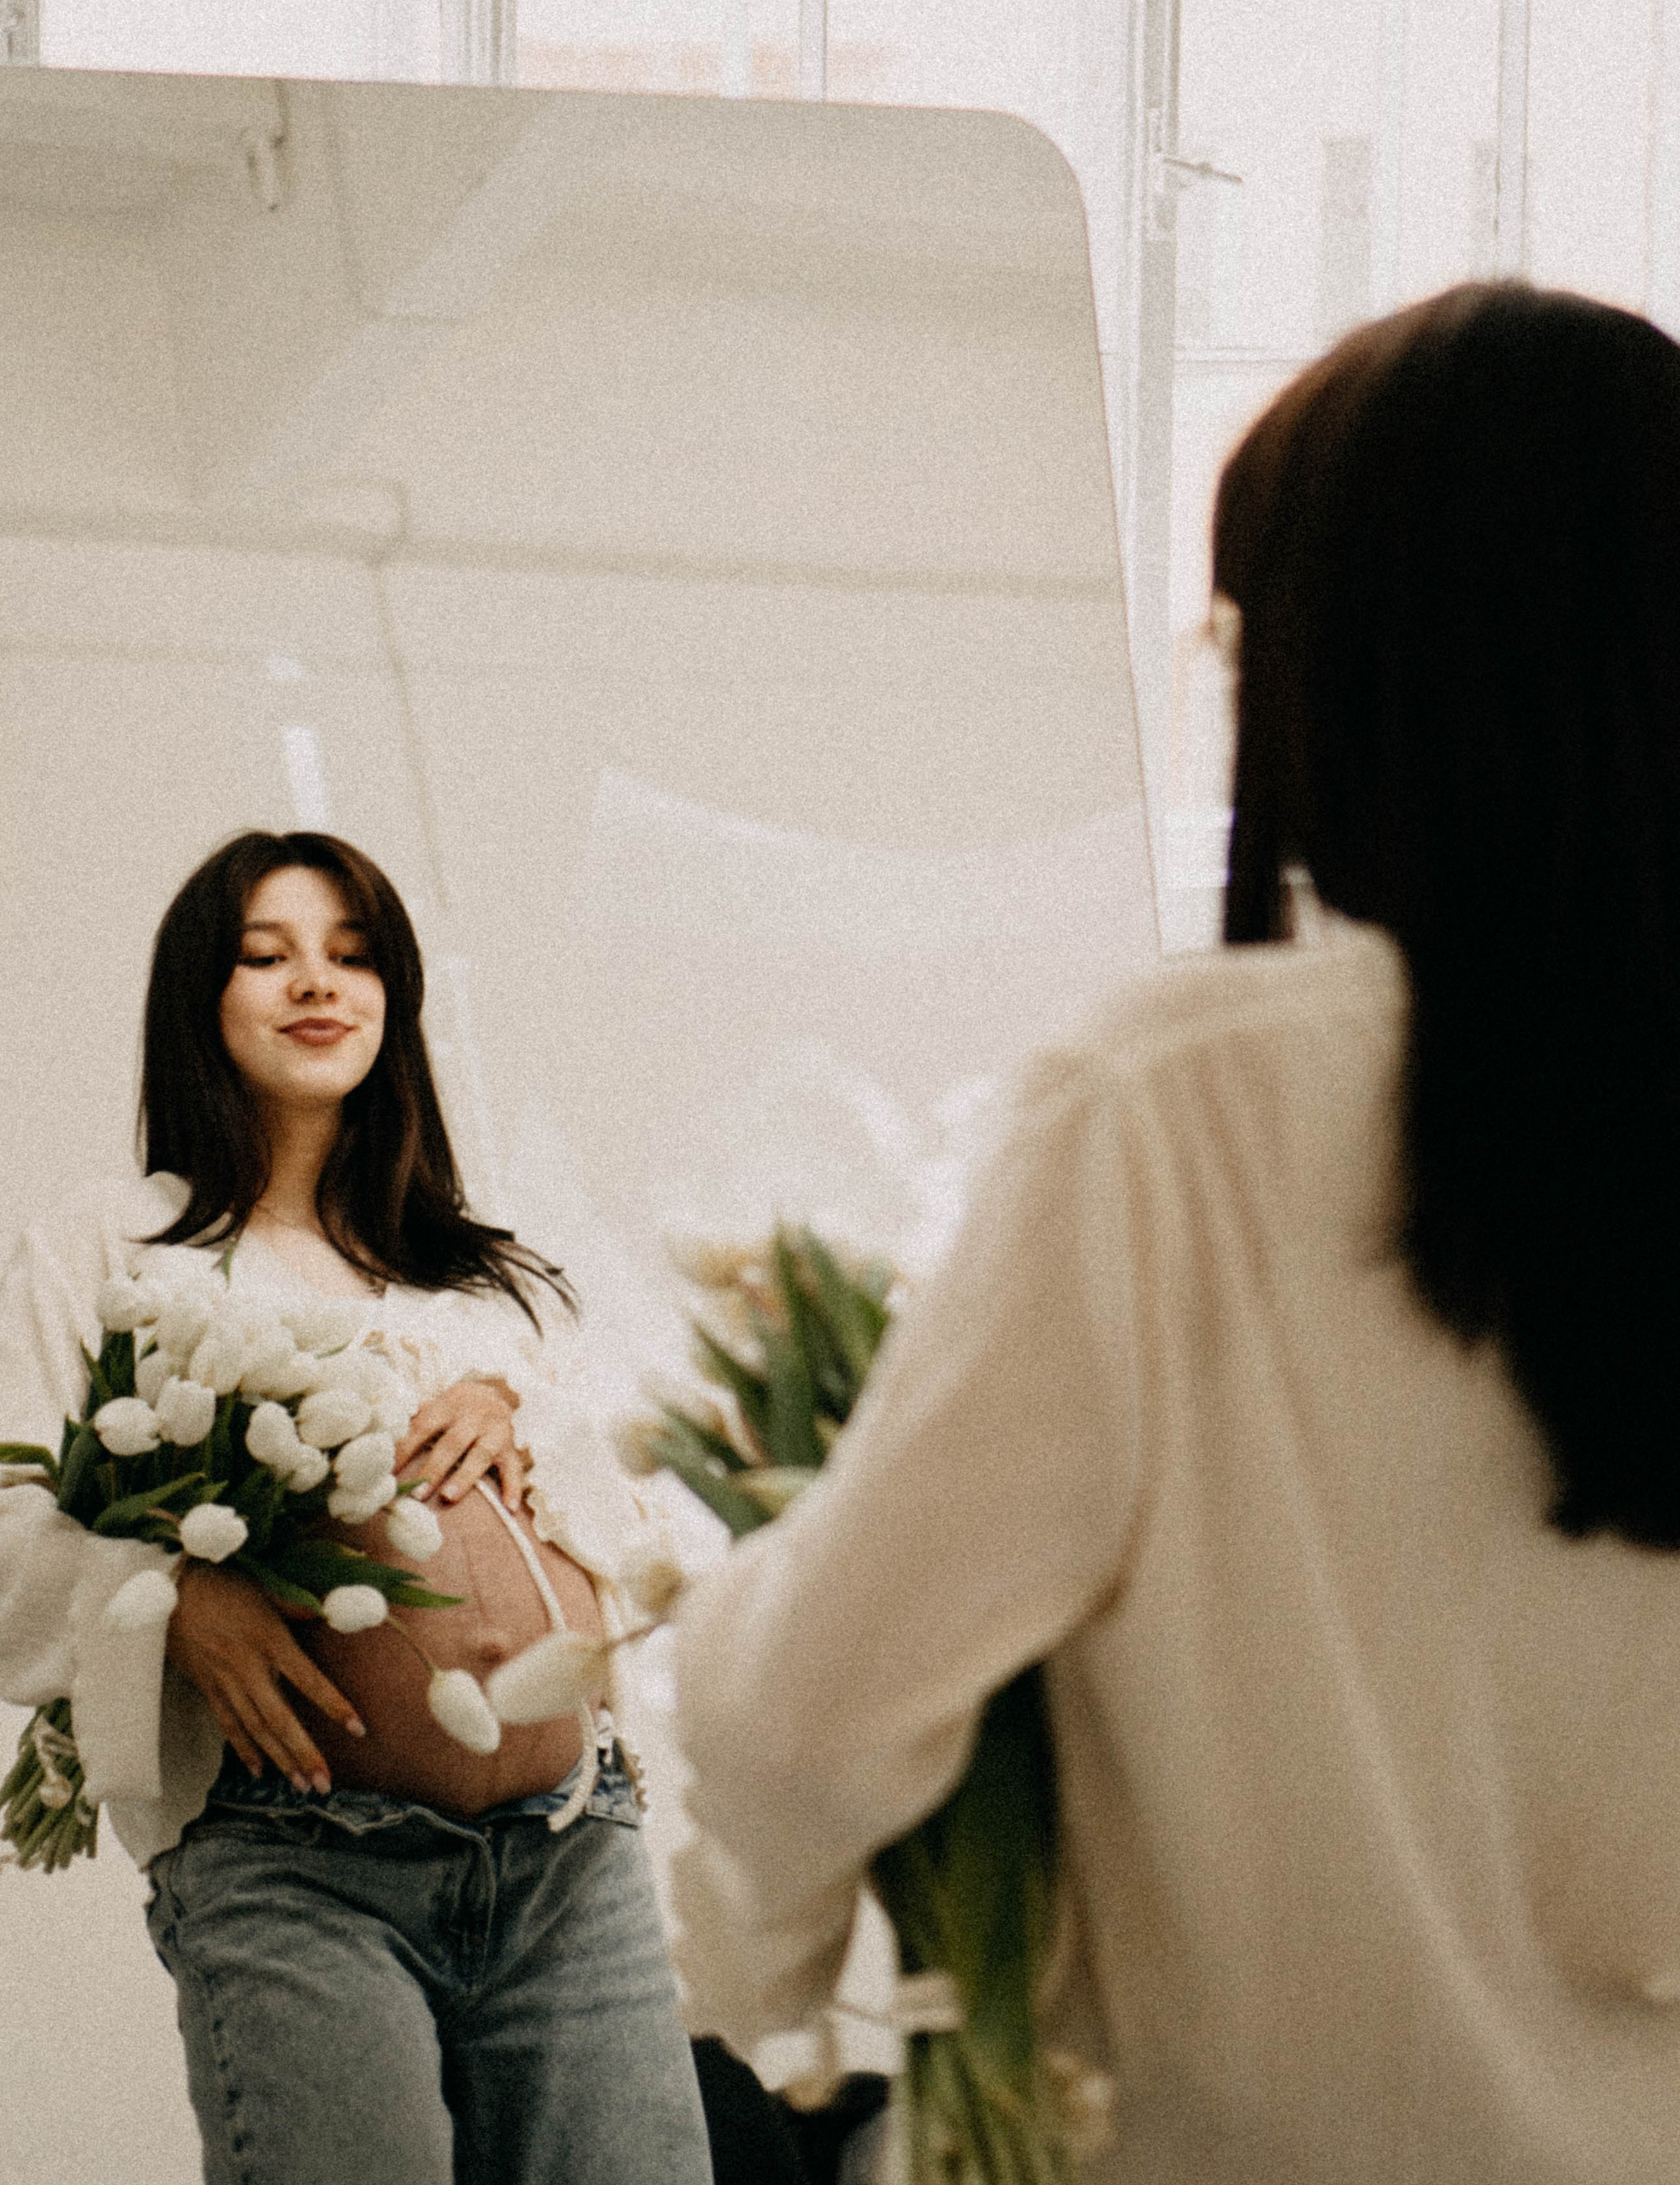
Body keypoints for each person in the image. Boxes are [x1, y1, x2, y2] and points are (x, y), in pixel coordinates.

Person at [667, 282, 1680, 2184]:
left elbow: (809, 1717)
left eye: (1240, 640)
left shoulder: (1184, 1105)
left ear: (1355, 659)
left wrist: (767, 1927)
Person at [0, 829, 713, 2185]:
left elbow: (654, 1539)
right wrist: (172, 1595)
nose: (317, 985)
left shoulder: (492, 1277)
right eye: (267, 957)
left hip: (570, 1855)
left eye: (353, 955)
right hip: (296, 1870)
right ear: (200, 999)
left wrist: (525, 1417)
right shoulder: (113, 1246)